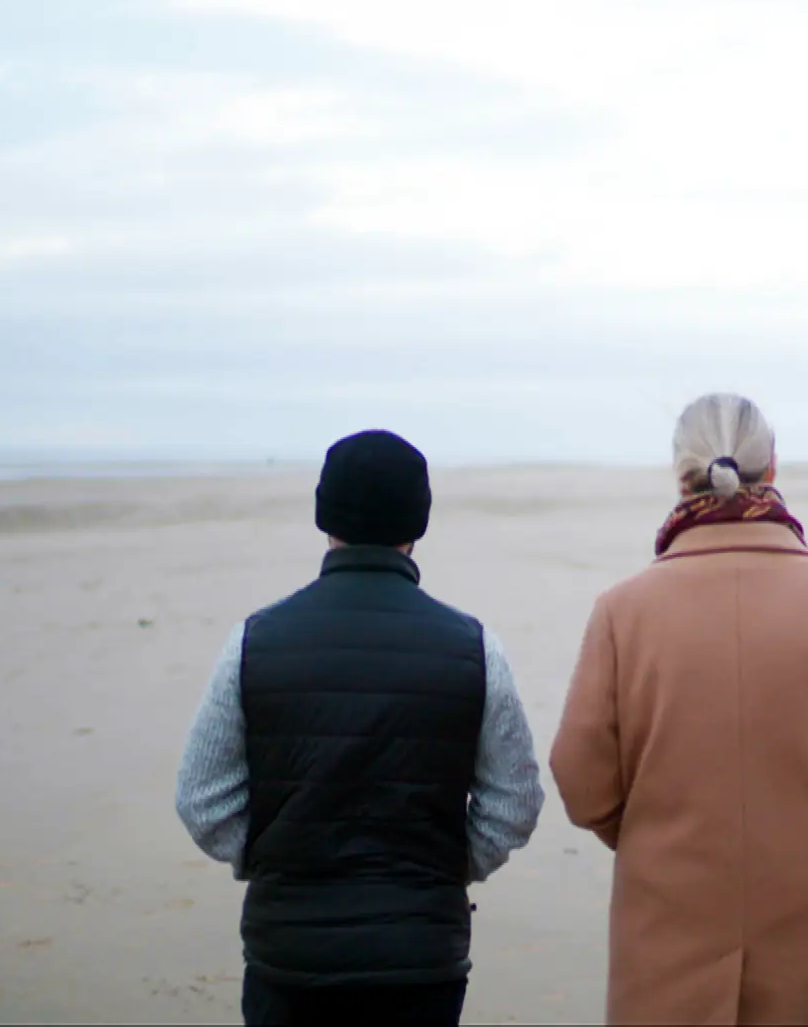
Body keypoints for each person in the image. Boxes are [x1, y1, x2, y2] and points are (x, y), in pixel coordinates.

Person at [550, 393, 808, 1026]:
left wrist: (650, 836)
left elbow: (580, 780)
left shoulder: (623, 609)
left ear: (679, 473)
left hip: (666, 919)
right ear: (771, 467)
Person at [176, 429, 544, 1026]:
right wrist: (442, 868)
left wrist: (273, 858)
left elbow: (201, 801)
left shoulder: (254, 641)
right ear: (418, 523)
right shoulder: (474, 648)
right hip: (421, 955)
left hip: (288, 953)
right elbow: (516, 802)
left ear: (325, 515)